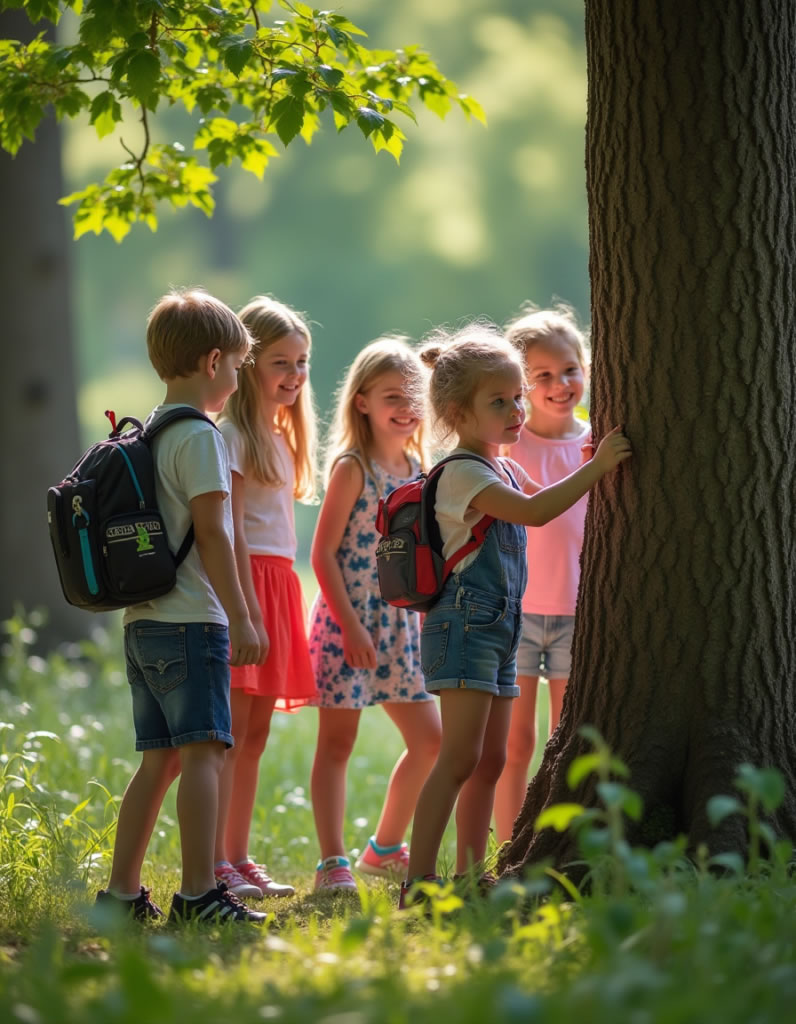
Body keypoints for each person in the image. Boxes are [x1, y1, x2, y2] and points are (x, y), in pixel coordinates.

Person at [400, 323, 631, 906]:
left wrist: (585, 454)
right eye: (498, 401)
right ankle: (418, 882)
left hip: (502, 629)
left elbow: (548, 483)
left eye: (517, 397)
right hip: (464, 628)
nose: (515, 410)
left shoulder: (500, 464)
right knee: (458, 758)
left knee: (492, 760)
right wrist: (599, 466)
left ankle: (470, 873)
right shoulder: (464, 473)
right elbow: (535, 511)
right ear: (457, 411)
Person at [95, 288, 269, 924]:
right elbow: (214, 532)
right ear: (214, 360)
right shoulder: (200, 436)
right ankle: (200, 893)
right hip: (192, 619)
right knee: (204, 755)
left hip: (144, 622)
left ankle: (119, 896)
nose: (237, 377)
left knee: (157, 762)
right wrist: (243, 615)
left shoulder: (154, 427)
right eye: (240, 365)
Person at [308, 338, 442, 891]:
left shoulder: (421, 468)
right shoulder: (352, 468)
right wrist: (351, 626)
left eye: (414, 396)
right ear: (362, 401)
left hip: (401, 628)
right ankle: (332, 862)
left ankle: (384, 848)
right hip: (349, 624)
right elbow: (321, 555)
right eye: (393, 395)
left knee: (431, 741)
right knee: (337, 743)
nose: (406, 407)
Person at [213, 296, 318, 899]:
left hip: (278, 585)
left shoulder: (280, 436)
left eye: (302, 362)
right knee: (228, 735)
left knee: (256, 736)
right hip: (245, 586)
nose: (295, 375)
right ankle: (217, 865)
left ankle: (239, 855)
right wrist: (244, 609)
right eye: (282, 361)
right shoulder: (231, 436)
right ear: (248, 363)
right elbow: (227, 528)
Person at [493, 306, 592, 844]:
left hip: (581, 615)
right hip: (519, 613)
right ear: (521, 385)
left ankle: (562, 846)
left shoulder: (598, 444)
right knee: (515, 744)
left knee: (567, 741)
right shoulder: (509, 445)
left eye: (570, 370)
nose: (560, 385)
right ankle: (509, 847)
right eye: (543, 377)